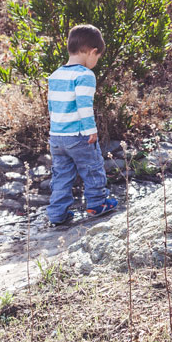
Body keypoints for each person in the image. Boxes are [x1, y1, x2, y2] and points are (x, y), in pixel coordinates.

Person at [45, 24, 119, 227]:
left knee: (62, 175)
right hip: (78, 134)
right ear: (93, 52)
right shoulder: (85, 75)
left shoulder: (56, 74)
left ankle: (57, 213)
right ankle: (97, 203)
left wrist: (55, 131)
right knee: (92, 167)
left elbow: (52, 106)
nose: (95, 62)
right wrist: (91, 130)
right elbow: (83, 105)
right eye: (97, 57)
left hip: (57, 135)